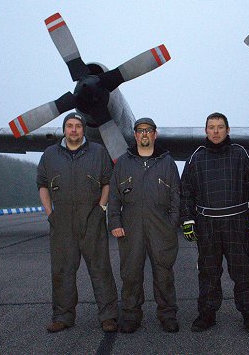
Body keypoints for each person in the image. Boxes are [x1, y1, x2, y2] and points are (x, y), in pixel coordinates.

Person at [180, 112, 249, 333]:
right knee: (208, 273)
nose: (216, 131)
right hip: (207, 224)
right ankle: (207, 314)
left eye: (220, 127)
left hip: (237, 223)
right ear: (205, 130)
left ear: (228, 130)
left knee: (243, 271)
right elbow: (186, 192)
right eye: (211, 127)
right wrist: (187, 219)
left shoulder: (243, 155)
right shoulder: (195, 158)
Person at [37, 111, 119, 334]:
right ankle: (63, 317)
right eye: (69, 126)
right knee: (62, 270)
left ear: (84, 129)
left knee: (101, 269)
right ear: (64, 129)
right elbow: (42, 184)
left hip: (92, 218)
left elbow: (107, 182)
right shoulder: (49, 154)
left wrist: (102, 207)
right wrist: (49, 212)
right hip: (61, 221)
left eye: (78, 126)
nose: (74, 129)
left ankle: (109, 317)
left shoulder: (99, 152)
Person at [109, 117, 181, 334]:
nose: (144, 134)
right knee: (130, 274)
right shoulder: (123, 162)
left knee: (164, 273)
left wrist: (172, 224)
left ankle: (167, 315)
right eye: (140, 131)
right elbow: (114, 196)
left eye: (148, 130)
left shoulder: (167, 162)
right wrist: (115, 221)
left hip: (161, 226)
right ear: (135, 135)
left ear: (155, 134)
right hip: (131, 226)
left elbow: (176, 197)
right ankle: (131, 316)